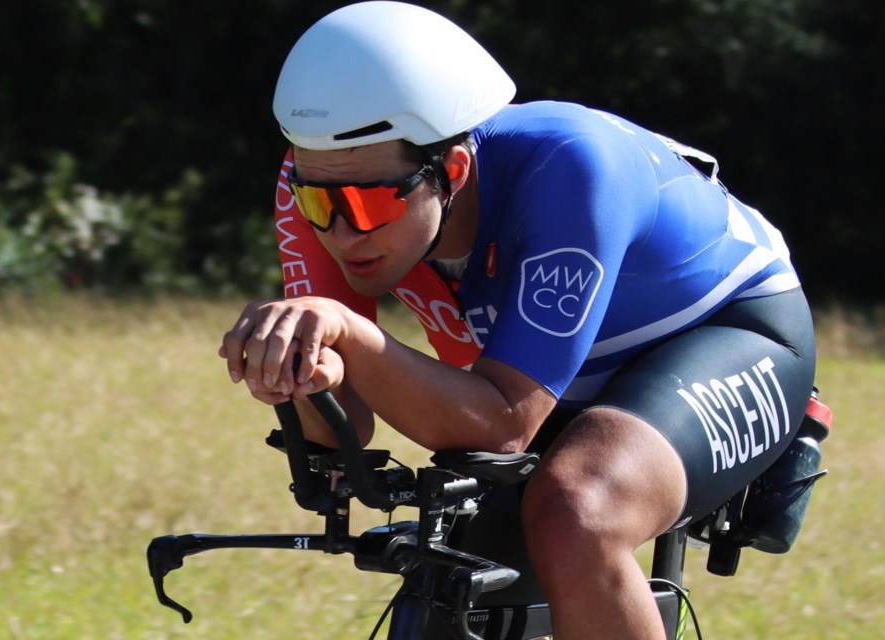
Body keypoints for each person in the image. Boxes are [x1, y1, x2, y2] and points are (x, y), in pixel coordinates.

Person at [219, 2, 817, 637]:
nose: (339, 232)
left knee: (576, 516)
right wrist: (294, 366)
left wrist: (352, 333)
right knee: (456, 575)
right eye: (315, 200)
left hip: (727, 331)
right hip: (546, 372)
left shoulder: (570, 168)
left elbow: (501, 425)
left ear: (451, 171)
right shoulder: (325, 177)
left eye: (367, 205)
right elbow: (345, 428)